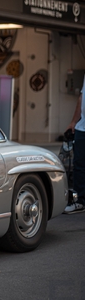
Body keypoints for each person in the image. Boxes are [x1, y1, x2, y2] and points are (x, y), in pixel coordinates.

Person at [64, 80, 85, 213]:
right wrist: (73, 121)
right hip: (82, 128)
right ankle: (80, 201)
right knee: (79, 165)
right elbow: (82, 97)